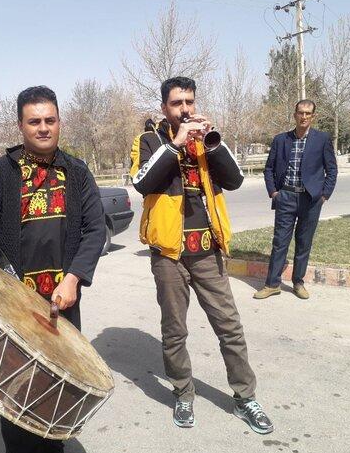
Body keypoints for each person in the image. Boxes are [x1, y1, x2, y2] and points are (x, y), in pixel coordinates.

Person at [0, 85, 106, 453]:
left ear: (60, 122)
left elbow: (94, 230)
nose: (43, 127)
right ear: (20, 126)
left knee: (54, 395)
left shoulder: (78, 173)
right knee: (14, 401)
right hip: (14, 307)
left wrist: (74, 277)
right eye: (34, 121)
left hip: (63, 302)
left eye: (50, 120)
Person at [130, 76, 273, 434]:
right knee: (175, 331)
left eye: (190, 102)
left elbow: (236, 179)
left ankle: (244, 397)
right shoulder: (148, 140)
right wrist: (175, 144)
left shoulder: (205, 140)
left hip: (207, 251)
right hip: (169, 254)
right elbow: (142, 181)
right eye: (178, 103)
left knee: (230, 327)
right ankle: (183, 393)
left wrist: (213, 143)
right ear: (165, 107)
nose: (186, 109)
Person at [253, 99, 338, 300]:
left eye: (308, 113)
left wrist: (324, 195)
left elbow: (332, 170)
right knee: (280, 242)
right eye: (301, 112)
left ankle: (298, 282)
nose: (304, 116)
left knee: (303, 242)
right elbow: (269, 169)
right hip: (286, 197)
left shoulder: (322, 139)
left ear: (313, 116)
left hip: (311, 199)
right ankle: (272, 284)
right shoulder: (281, 140)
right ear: (295, 114)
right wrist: (274, 192)